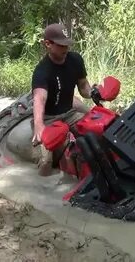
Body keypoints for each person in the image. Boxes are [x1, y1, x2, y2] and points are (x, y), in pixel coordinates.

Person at [31, 23, 94, 175]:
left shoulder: (76, 60)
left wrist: (94, 93)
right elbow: (39, 99)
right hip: (49, 119)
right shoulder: (42, 71)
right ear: (48, 44)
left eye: (67, 44)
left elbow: (84, 87)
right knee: (46, 166)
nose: (66, 48)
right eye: (61, 45)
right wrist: (39, 125)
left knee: (97, 129)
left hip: (70, 113)